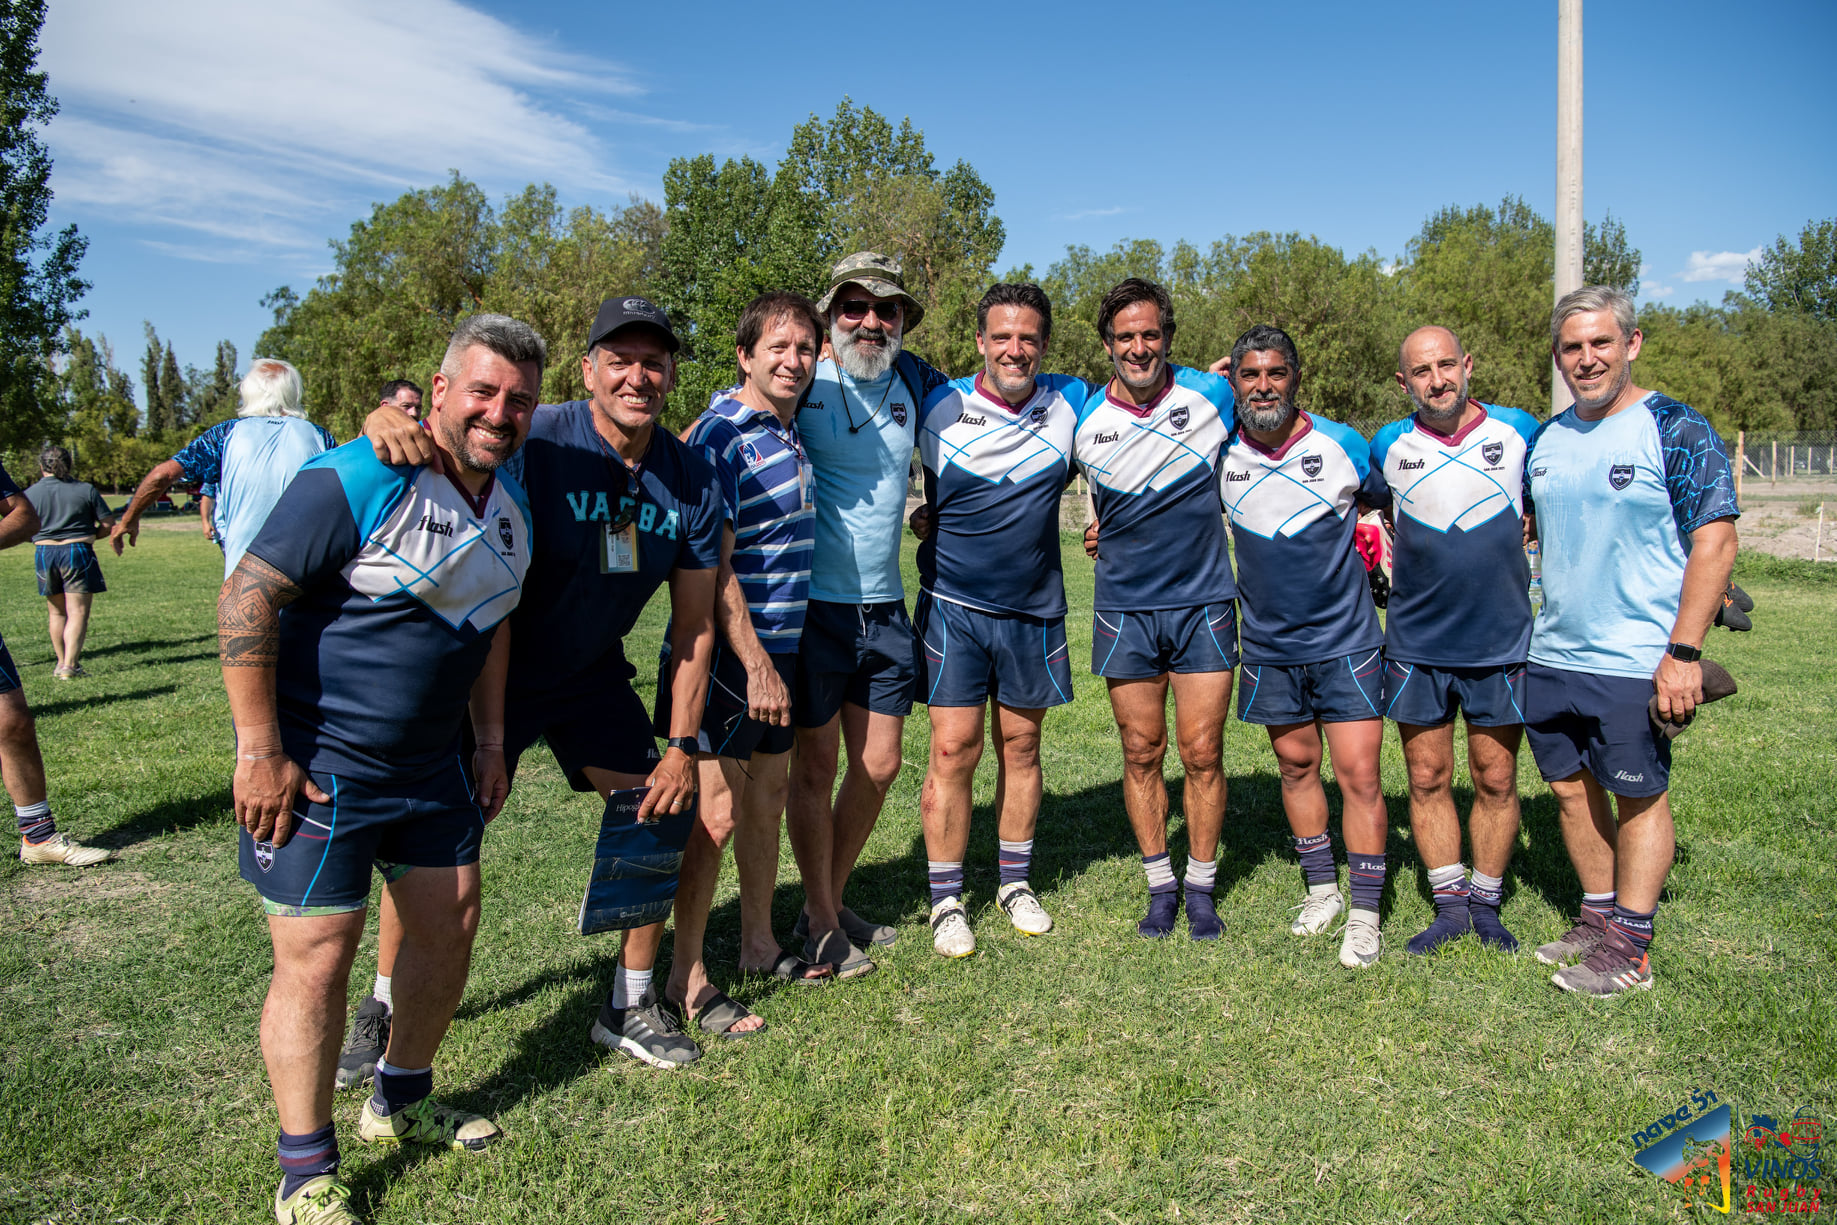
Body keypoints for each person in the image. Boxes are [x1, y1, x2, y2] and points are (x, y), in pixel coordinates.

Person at [219, 314, 543, 1225]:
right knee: (318, 961)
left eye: (518, 398)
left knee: (451, 925)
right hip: (321, 768)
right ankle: (305, 1172)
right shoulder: (357, 473)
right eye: (482, 390)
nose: (499, 411)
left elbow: (492, 625)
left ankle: (399, 1099)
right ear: (438, 392)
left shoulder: (509, 503)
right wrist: (259, 751)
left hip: (432, 768)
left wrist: (486, 741)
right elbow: (246, 594)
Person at [365, 296, 720, 1069]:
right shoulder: (538, 431)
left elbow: (693, 625)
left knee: (660, 812)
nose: (637, 376)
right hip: (485, 663)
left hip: (589, 673)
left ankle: (629, 1001)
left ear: (670, 375)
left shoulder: (691, 477)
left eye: (653, 362)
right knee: (433, 845)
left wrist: (682, 744)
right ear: (587, 369)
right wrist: (380, 421)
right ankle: (384, 1005)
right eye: (618, 360)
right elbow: (447, 440)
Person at [1524, 285, 1739, 997]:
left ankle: (1632, 948)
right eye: (1571, 347)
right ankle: (1595, 917)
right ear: (1557, 356)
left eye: (1599, 343)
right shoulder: (1545, 439)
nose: (1585, 359)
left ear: (1631, 343)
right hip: (1552, 651)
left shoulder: (1674, 427)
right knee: (1567, 789)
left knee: (1637, 796)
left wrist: (1681, 654)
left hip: (1636, 658)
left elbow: (1714, 540)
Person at [660, 290, 830, 1039]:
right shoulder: (722, 435)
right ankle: (686, 976)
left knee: (766, 799)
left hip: (781, 648)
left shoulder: (786, 430)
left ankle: (759, 943)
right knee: (714, 815)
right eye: (778, 347)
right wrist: (754, 659)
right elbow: (710, 563)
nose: (792, 360)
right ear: (744, 355)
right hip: (729, 655)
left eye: (804, 348)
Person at [786, 252, 948, 977]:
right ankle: (820, 919)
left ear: (904, 321)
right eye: (853, 307)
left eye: (887, 310)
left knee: (878, 765)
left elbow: (1010, 395)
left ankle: (826, 898)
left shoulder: (913, 380)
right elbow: (724, 423)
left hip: (884, 610)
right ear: (829, 317)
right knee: (815, 769)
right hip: (813, 608)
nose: (870, 321)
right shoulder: (798, 377)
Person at [909, 283, 1080, 958]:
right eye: (1001, 336)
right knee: (952, 749)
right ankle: (946, 898)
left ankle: (1014, 882)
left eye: (1028, 337)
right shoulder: (937, 402)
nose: (1015, 348)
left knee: (1022, 748)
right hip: (954, 606)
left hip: (1033, 612)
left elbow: (1142, 388)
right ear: (979, 341)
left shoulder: (1071, 402)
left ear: (1043, 345)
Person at [1217, 324, 1391, 969]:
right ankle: (1323, 889)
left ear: (1297, 377)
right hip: (1266, 645)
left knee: (1360, 776)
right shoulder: (1219, 452)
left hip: (1346, 640)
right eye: (1250, 375)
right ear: (1234, 382)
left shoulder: (1346, 444)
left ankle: (1367, 910)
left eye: (1276, 373)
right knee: (1296, 768)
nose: (1264, 386)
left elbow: (1394, 502)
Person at [1076, 279, 1239, 940]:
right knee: (1141, 749)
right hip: (1125, 608)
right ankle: (1159, 886)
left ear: (1168, 337)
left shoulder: (1212, 394)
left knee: (1202, 750)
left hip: (1203, 601)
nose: (1138, 348)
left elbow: (1269, 414)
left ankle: (1200, 887)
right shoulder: (1082, 419)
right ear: (1107, 345)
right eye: (1124, 337)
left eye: (1150, 334)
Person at [1371, 327, 1538, 955]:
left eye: (1447, 365)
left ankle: (1488, 903)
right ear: (1403, 382)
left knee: (1496, 778)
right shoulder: (1386, 444)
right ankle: (1449, 906)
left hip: (1501, 641)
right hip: (1415, 643)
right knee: (1428, 775)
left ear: (1468, 364)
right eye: (1422, 371)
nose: (1437, 380)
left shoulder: (1521, 430)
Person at [110, 359, 335, 578]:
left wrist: (129, 519)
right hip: (307, 573)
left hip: (245, 579)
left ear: (248, 392)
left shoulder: (225, 435)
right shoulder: (320, 437)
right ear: (294, 392)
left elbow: (162, 475)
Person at [24, 446, 117, 679]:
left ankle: (59, 662)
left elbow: (20, 525)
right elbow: (107, 523)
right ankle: (70, 665)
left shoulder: (29, 494)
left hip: (44, 552)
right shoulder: (85, 490)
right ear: (70, 464)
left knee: (56, 613)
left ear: (41, 466)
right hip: (77, 551)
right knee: (77, 612)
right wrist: (93, 536)